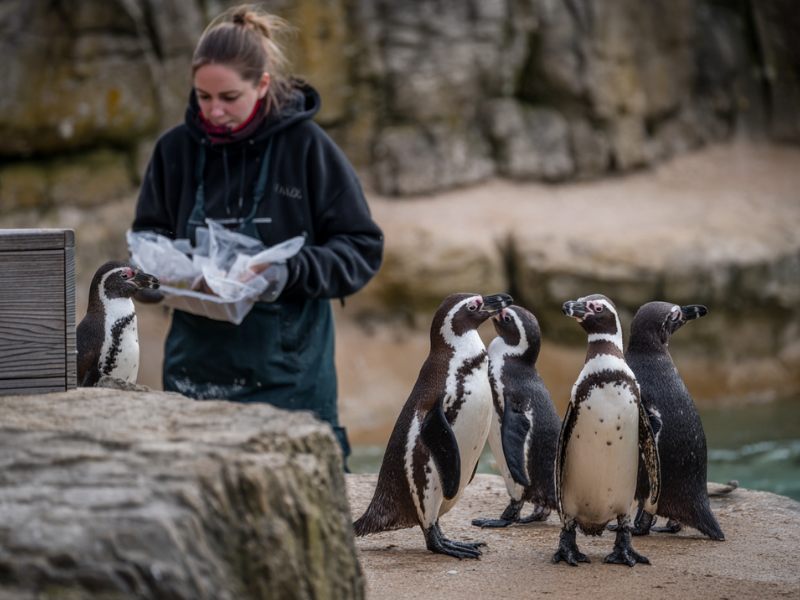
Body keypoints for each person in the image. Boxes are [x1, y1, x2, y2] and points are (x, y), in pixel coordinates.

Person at [131, 5, 384, 462]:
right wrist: (159, 280)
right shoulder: (174, 150)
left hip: (290, 385)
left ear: (262, 84)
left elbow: (362, 249)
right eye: (203, 97)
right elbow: (146, 243)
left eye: (229, 96)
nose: (214, 111)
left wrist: (286, 273)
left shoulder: (308, 148)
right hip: (192, 380)